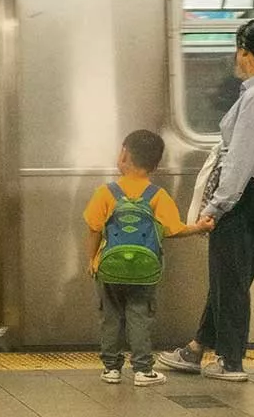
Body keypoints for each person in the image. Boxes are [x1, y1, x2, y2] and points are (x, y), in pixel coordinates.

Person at [159, 12, 254, 382]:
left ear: (246, 53)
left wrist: (216, 207)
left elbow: (240, 160)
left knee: (231, 283)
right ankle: (196, 349)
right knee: (230, 279)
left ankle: (231, 362)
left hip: (246, 199)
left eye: (239, 50)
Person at [83, 129, 207, 387]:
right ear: (155, 165)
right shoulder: (157, 195)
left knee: (111, 317)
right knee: (140, 316)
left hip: (109, 268)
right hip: (144, 272)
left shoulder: (106, 192)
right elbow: (174, 230)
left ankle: (111, 369)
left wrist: (92, 260)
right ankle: (142, 370)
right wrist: (199, 227)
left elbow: (94, 229)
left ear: (123, 155)